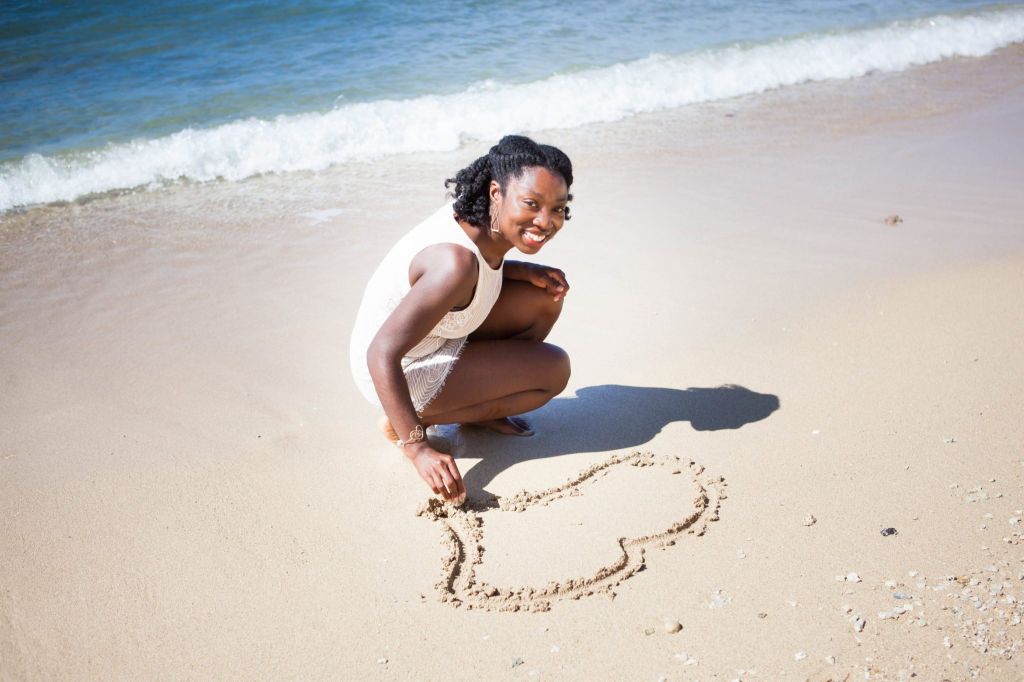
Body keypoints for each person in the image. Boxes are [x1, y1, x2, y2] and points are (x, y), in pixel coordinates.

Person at [349, 135, 574, 505]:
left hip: (435, 333)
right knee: (553, 371)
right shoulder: (453, 263)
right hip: (398, 369)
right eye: (531, 204)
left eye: (558, 208)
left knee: (541, 300)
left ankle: (473, 410)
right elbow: (381, 352)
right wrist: (418, 449)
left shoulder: (478, 222)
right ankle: (407, 421)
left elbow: (480, 268)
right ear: (496, 193)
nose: (545, 221)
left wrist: (522, 270)